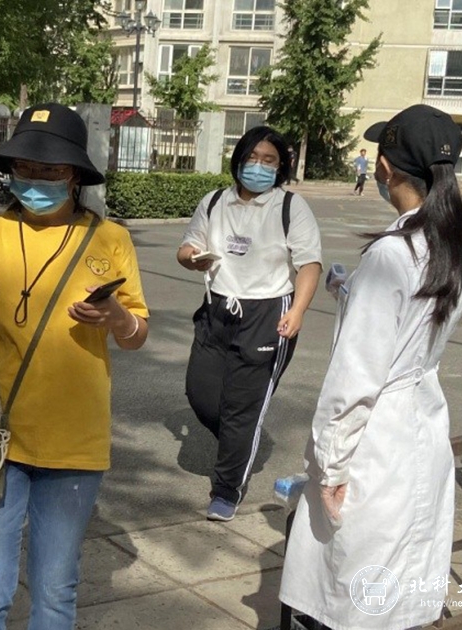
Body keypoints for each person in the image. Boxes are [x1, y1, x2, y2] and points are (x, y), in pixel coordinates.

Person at [0, 103, 149, 630]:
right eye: (26, 168)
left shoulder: (110, 239)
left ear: (75, 175)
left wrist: (115, 316)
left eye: (51, 170)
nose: (36, 179)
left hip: (77, 441)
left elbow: (137, 334)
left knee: (55, 592)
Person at [280, 104, 462, 630]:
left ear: (385, 168)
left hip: (377, 437)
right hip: (421, 423)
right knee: (399, 579)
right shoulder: (453, 245)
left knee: (355, 589)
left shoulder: (393, 253)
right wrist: (352, 291)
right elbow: (415, 322)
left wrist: (331, 466)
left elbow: (355, 377)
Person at [177, 125, 323, 522]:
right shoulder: (214, 201)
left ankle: (227, 489)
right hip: (217, 309)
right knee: (201, 394)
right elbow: (187, 247)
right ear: (238, 159)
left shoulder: (290, 207)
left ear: (280, 167)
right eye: (252, 157)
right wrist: (191, 258)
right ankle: (240, 440)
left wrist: (298, 310)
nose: (259, 166)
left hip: (268, 313)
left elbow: (309, 264)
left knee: (243, 407)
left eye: (269, 160)